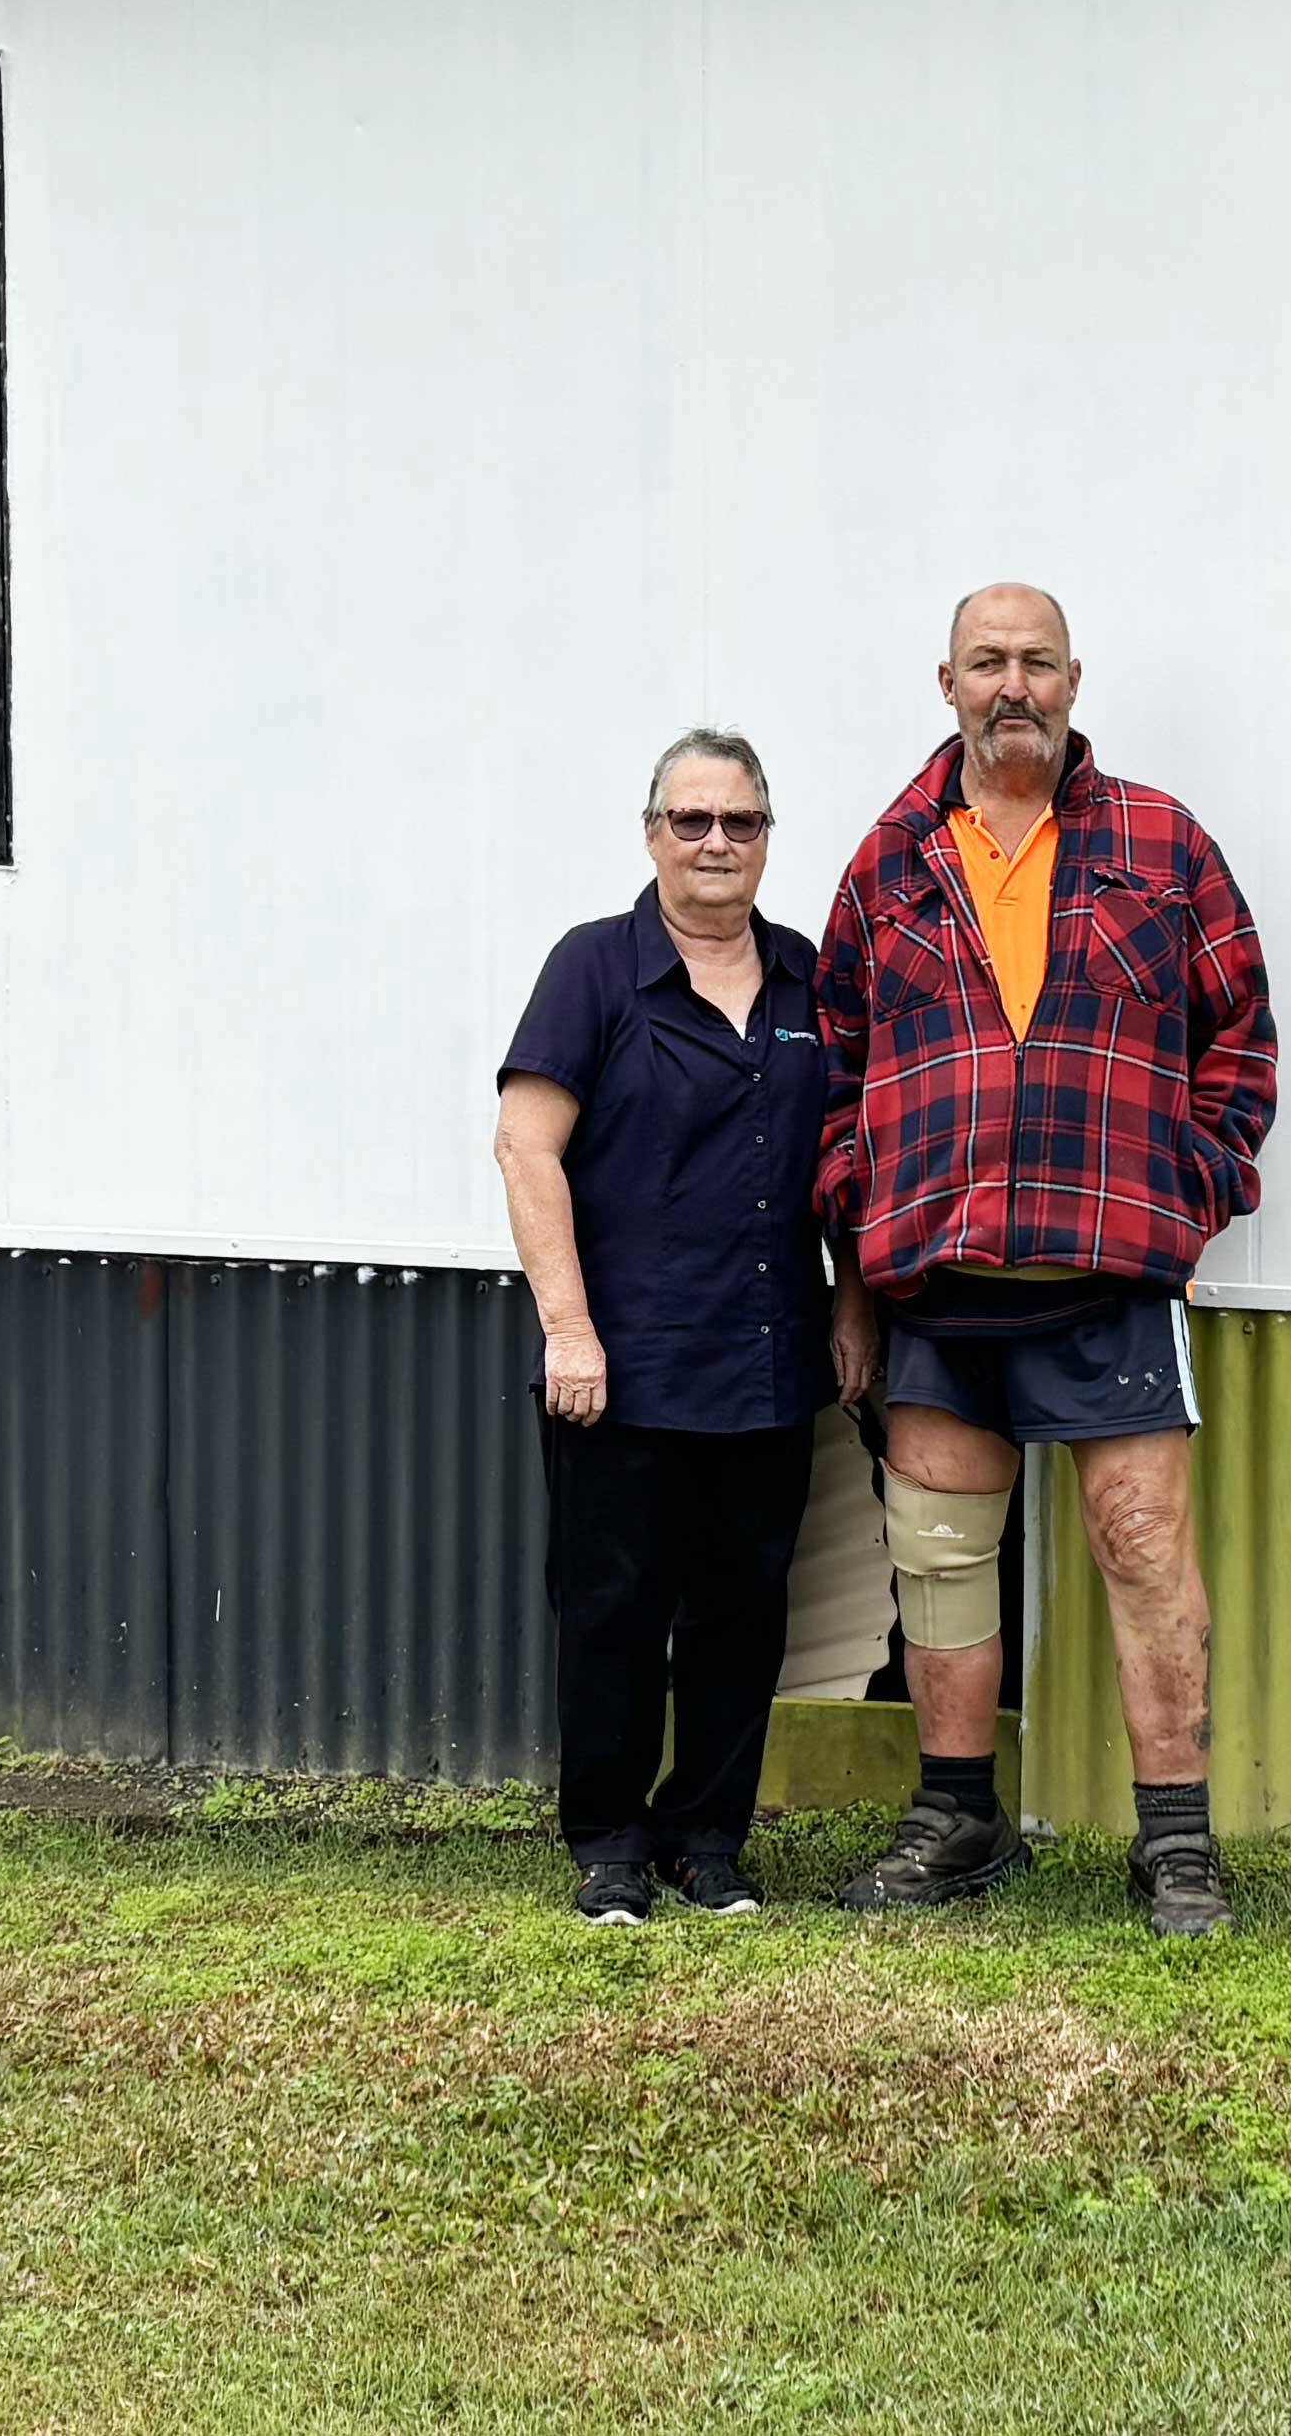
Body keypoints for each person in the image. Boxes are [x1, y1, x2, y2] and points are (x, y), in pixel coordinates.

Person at [812, 584, 1276, 1937]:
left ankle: (1176, 1844)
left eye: (1036, 661)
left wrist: (1190, 1190)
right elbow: (835, 1071)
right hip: (938, 1275)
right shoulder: (889, 864)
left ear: (1074, 680)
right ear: (947, 683)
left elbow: (1240, 1041)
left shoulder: (1162, 845)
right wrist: (864, 1222)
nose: (1012, 685)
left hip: (1109, 1274)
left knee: (1143, 1547)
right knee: (939, 1553)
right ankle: (959, 1819)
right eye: (987, 663)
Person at [492, 729, 838, 1927]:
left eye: (740, 822)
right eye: (692, 820)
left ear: (766, 839)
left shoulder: (805, 979)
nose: (715, 843)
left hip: (768, 1359)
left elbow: (846, 1162)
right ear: (652, 835)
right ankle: (610, 1845)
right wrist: (569, 1330)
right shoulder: (593, 968)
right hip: (624, 1368)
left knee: (744, 1617)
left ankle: (709, 1841)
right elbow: (524, 1148)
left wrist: (852, 1310)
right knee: (614, 1616)